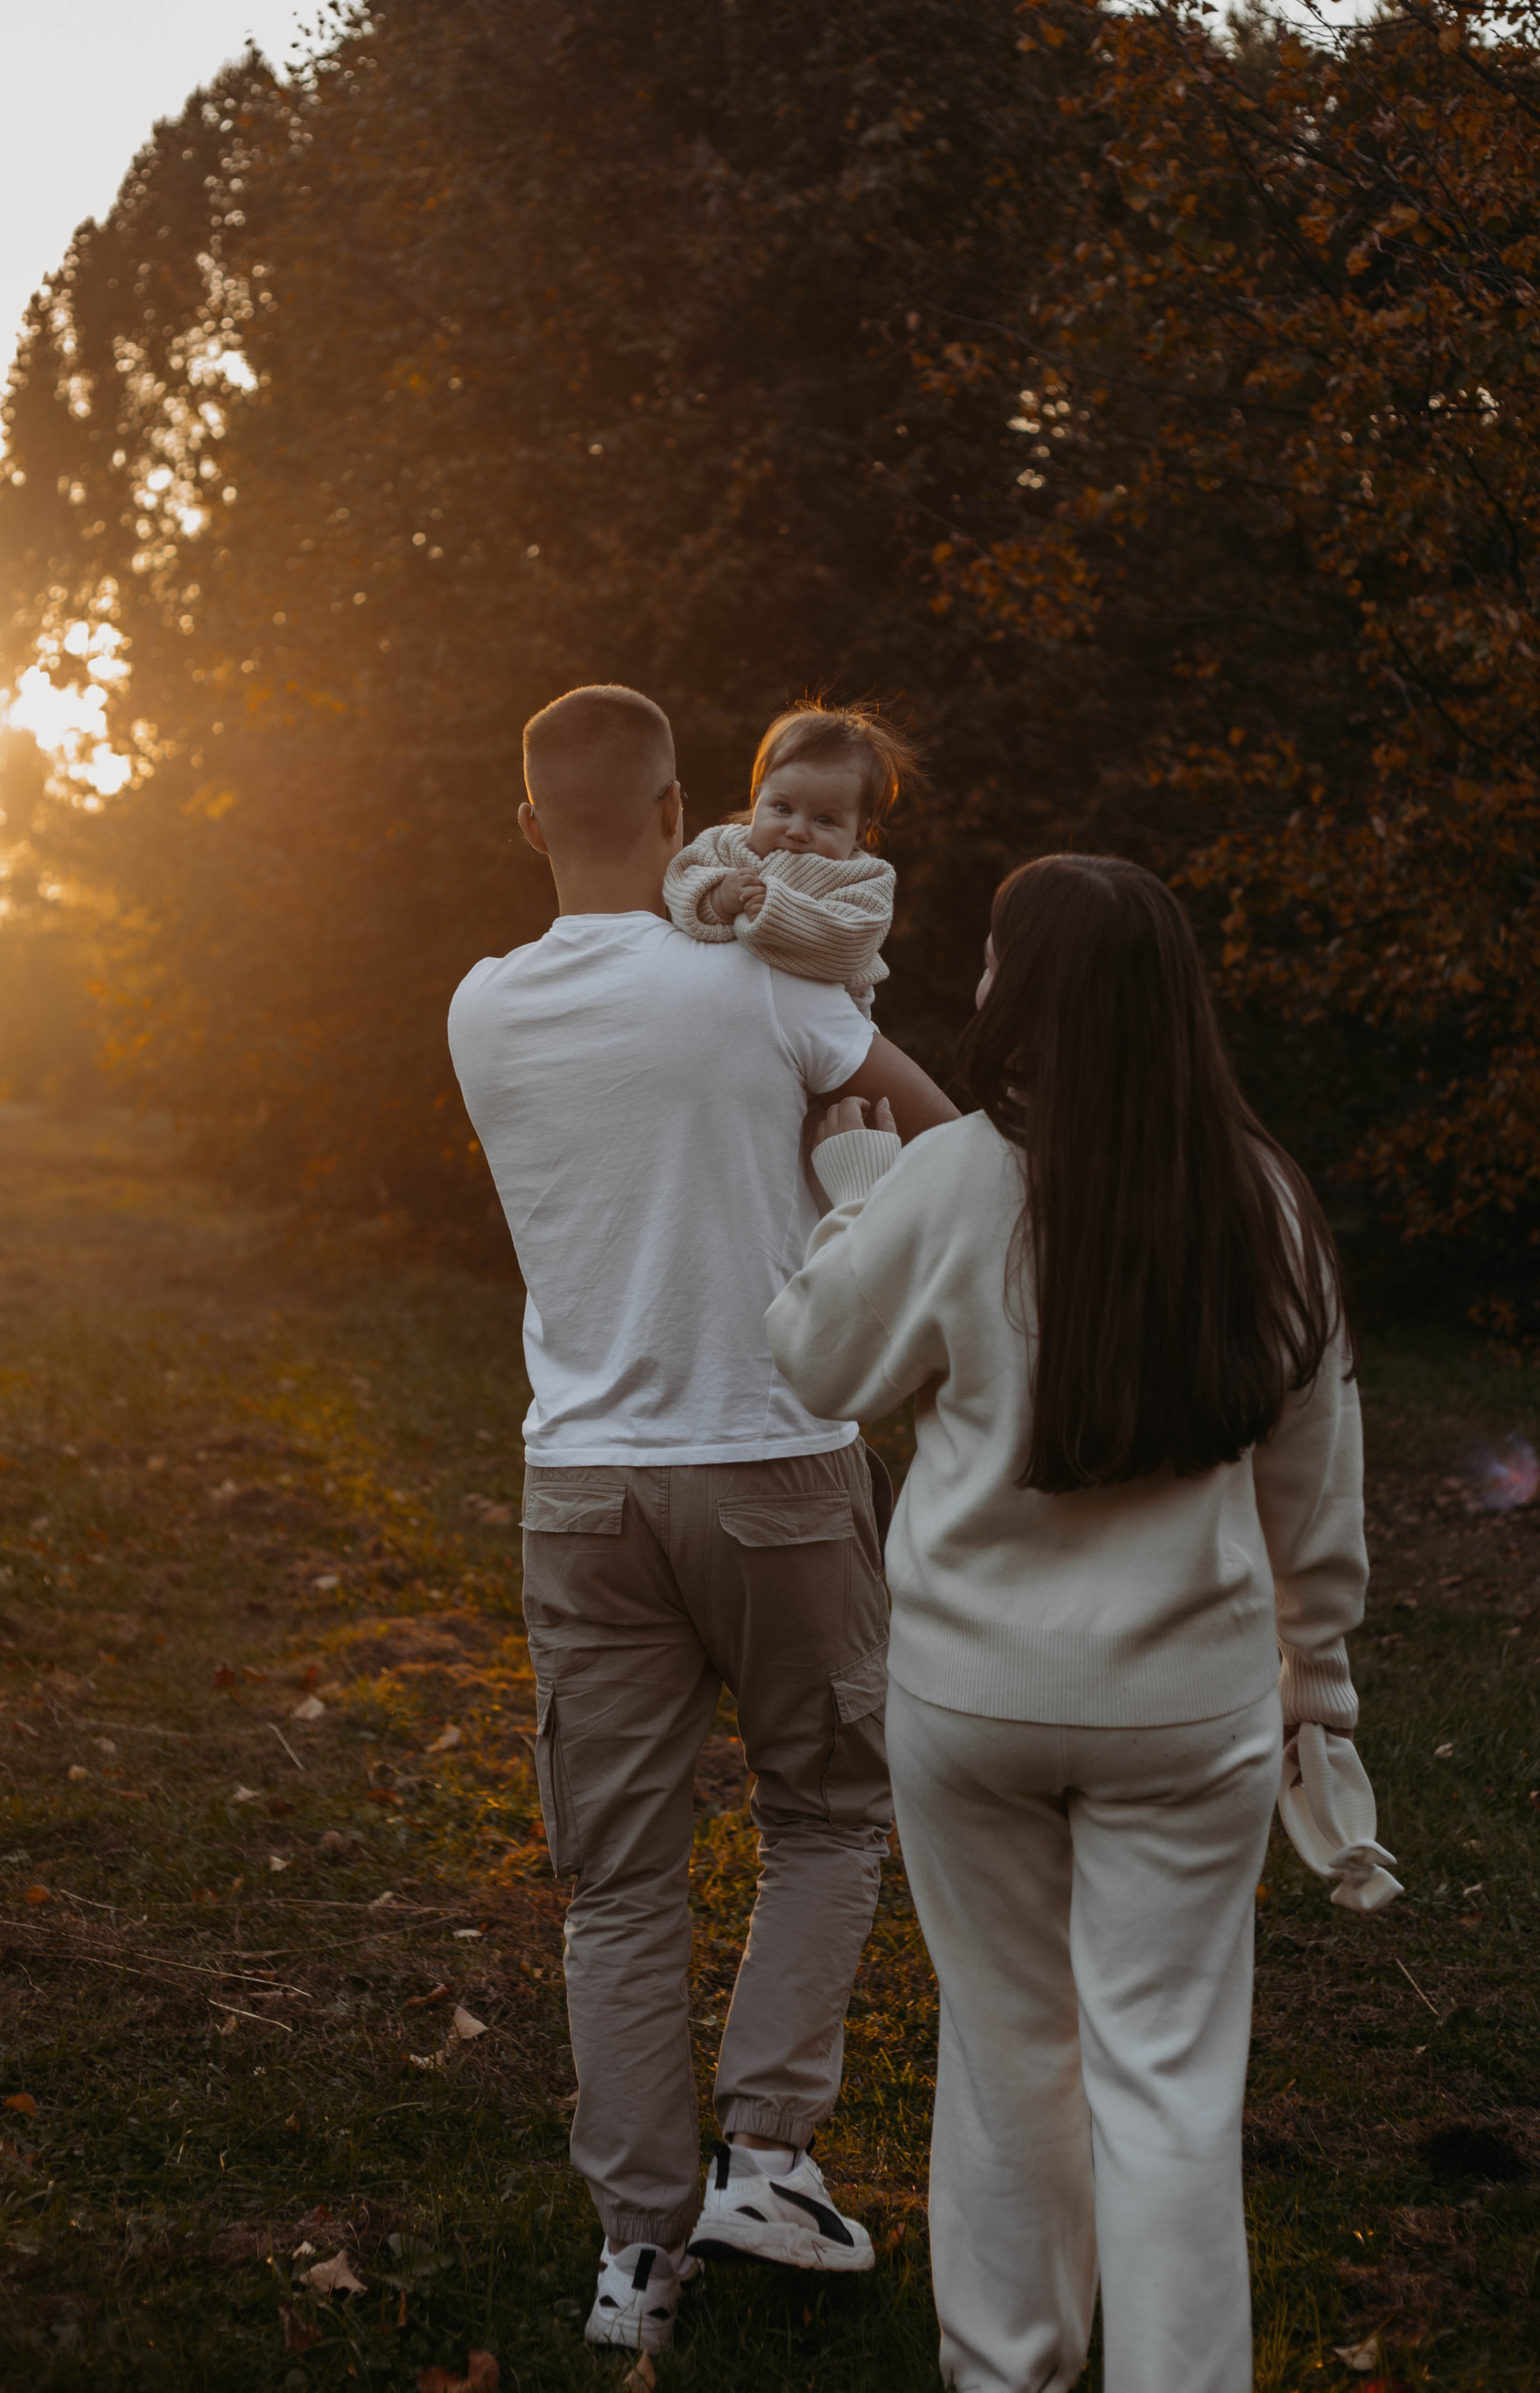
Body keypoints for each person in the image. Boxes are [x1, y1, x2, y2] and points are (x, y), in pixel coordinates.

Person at [765, 853, 1368, 2393]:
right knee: (1166, 2081)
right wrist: (1325, 1683)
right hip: (1190, 1703)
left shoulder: (952, 1172)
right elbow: (1312, 1477)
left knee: (1006, 2048)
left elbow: (819, 1364)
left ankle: (1009, 2369)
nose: (971, 986)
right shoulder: (1261, 1191)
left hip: (973, 1699)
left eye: (985, 961)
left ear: (1026, 991)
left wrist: (845, 1196)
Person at [446, 683, 959, 2357]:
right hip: (773, 1462)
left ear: (532, 825)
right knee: (826, 1808)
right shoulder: (759, 986)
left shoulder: (480, 1010)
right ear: (685, 814)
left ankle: (636, 2261)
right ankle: (774, 2155)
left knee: (616, 1881)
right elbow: (945, 1153)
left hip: (581, 1488)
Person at [664, 699, 905, 1016]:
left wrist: (778, 912)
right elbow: (677, 888)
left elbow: (853, 942)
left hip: (821, 1026)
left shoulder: (866, 877)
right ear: (757, 797)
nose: (798, 831)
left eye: (825, 820)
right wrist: (718, 899)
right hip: (720, 1010)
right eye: (783, 808)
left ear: (860, 832)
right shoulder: (722, 846)